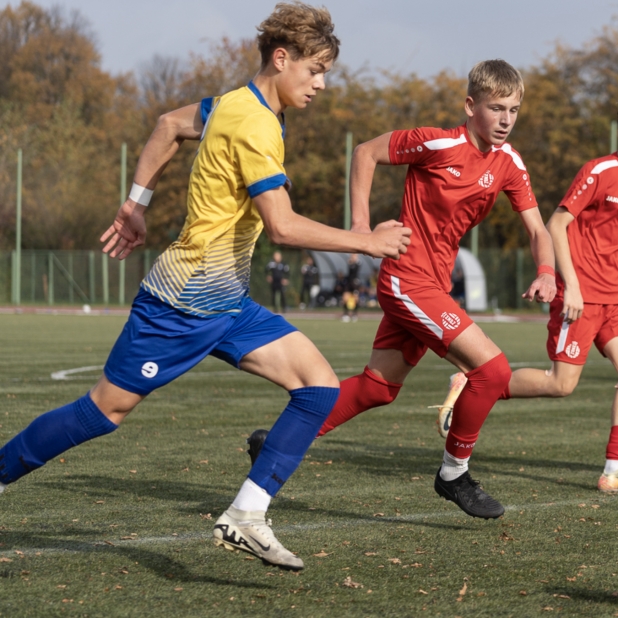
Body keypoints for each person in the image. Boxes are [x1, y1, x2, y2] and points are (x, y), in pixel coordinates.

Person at [0, 3, 411, 571]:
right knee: (104, 411)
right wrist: (367, 242)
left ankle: (246, 515)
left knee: (317, 388)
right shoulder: (254, 125)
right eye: (314, 70)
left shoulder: (233, 103)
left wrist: (135, 204)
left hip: (224, 301)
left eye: (326, 73)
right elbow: (283, 226)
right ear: (281, 57)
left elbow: (170, 123)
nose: (320, 84)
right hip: (182, 304)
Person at [252, 59, 556, 519]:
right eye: (497, 108)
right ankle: (454, 473)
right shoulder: (437, 142)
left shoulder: (509, 163)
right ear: (471, 105)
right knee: (492, 371)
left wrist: (547, 269)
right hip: (405, 277)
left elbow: (536, 228)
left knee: (378, 387)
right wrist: (360, 230)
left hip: (434, 283)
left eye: (514, 109)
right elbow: (364, 154)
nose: (506, 119)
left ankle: (276, 442)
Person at [437, 92, 618, 494]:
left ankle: (615, 468)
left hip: (616, 297)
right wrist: (573, 287)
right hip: (577, 293)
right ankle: (471, 386)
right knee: (561, 384)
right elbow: (557, 223)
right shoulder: (599, 172)